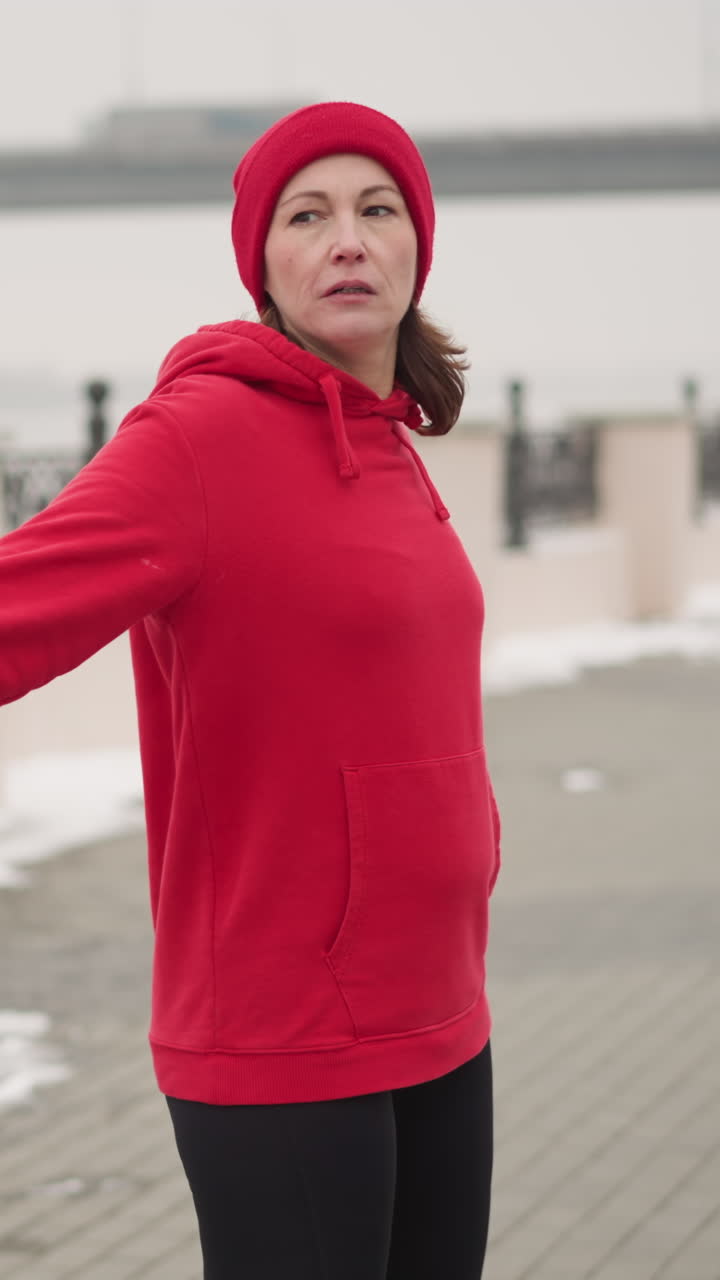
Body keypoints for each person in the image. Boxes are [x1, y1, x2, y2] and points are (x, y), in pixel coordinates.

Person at [0, 101, 501, 1278]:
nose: (348, 240)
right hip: (282, 1031)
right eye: (308, 214)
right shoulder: (198, 440)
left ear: (418, 247)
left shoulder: (391, 441)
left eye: (378, 211)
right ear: (262, 265)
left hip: (440, 1009)